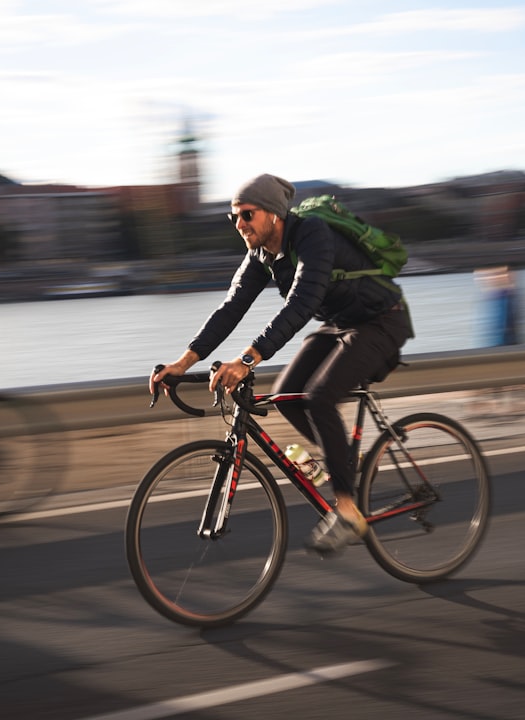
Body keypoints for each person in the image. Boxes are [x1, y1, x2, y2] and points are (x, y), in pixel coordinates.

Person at [150, 173, 413, 555]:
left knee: (320, 398)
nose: (239, 224)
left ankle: (348, 512)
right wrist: (183, 360)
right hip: (340, 323)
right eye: (234, 217)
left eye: (247, 215)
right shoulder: (261, 254)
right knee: (288, 396)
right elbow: (232, 307)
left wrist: (247, 358)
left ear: (273, 214)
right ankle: (342, 460)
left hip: (380, 320)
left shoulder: (313, 234)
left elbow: (302, 303)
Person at [472, 265, 525, 415]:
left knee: (503, 376)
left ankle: (507, 402)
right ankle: (498, 402)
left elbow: (510, 320)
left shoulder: (507, 294)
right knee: (501, 376)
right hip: (498, 342)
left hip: (505, 342)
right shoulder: (499, 294)